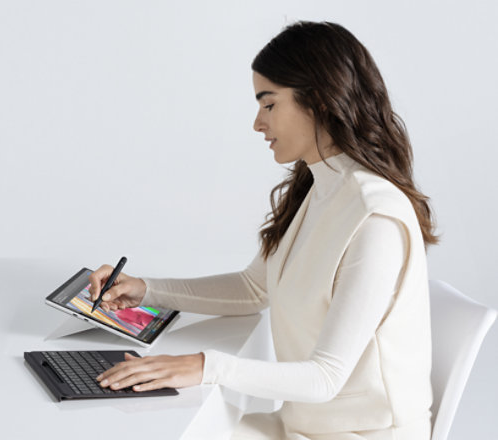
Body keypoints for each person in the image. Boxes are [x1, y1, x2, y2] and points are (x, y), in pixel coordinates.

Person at [88, 20, 438, 440]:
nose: (258, 123)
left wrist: (205, 366)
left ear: (320, 101)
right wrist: (146, 289)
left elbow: (326, 377)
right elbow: (256, 288)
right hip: (303, 426)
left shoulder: (375, 218)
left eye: (269, 104)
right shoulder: (319, 186)